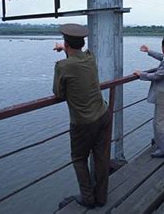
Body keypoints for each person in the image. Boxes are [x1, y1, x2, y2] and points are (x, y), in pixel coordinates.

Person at [53, 23, 110, 209]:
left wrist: (64, 53)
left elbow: (58, 94)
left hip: (83, 123)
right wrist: (66, 49)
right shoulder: (90, 57)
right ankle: (101, 197)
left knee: (79, 158)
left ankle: (88, 198)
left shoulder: (62, 66)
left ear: (66, 44)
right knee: (101, 157)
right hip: (102, 114)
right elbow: (78, 57)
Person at [134, 36, 164, 158]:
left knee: (158, 123)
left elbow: (157, 76)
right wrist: (148, 51)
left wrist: (141, 74)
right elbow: (162, 57)